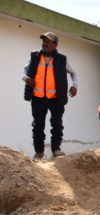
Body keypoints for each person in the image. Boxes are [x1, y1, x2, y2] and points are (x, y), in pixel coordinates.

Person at [22, 32, 78, 160]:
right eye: (43, 41)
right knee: (37, 125)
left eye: (48, 41)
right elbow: (24, 71)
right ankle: (39, 152)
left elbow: (74, 73)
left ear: (55, 44)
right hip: (37, 97)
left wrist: (75, 85)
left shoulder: (62, 59)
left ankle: (56, 150)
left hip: (56, 98)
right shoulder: (35, 56)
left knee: (57, 124)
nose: (44, 43)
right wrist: (26, 78)